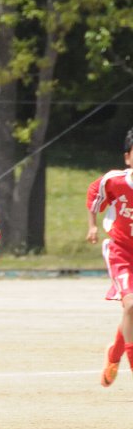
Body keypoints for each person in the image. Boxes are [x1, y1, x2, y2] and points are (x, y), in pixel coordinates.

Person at [86, 126, 133, 387]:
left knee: (131, 313)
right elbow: (95, 194)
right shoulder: (114, 181)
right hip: (121, 252)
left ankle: (114, 355)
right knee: (131, 306)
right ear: (127, 157)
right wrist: (92, 226)